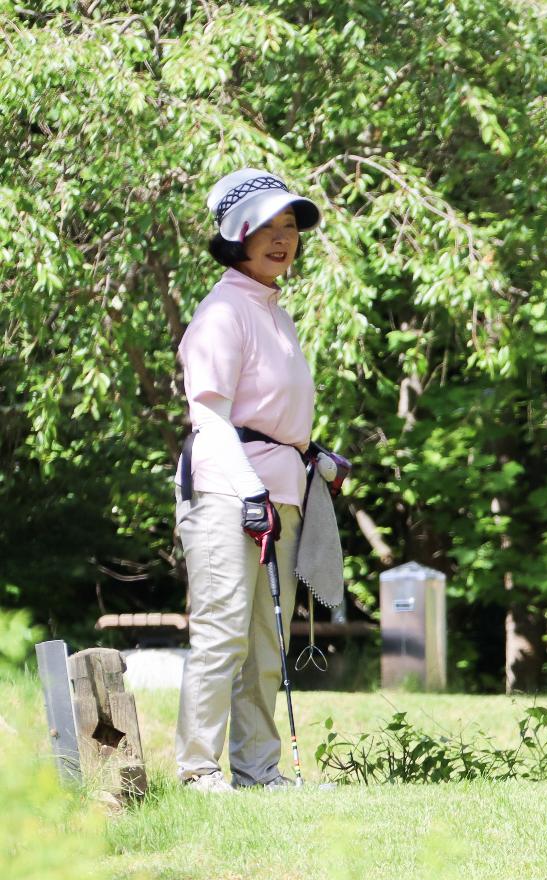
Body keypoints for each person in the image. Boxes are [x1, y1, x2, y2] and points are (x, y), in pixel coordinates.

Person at [174, 169, 351, 792]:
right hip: (229, 492)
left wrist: (315, 457)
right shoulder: (223, 312)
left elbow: (270, 417)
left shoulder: (273, 310)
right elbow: (211, 416)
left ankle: (257, 771)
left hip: (278, 491)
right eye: (267, 227)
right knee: (222, 633)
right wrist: (249, 492)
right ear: (236, 237)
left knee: (265, 643)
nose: (283, 239)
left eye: (291, 227)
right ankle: (198, 769)